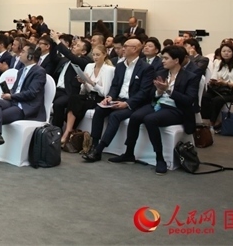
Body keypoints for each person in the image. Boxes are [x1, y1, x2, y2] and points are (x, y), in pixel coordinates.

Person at [108, 45, 199, 175]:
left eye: (166, 58)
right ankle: (129, 153)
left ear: (176, 60)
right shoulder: (161, 74)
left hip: (176, 109)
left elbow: (189, 100)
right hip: (158, 104)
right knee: (135, 116)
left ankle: (160, 158)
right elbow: (151, 95)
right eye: (163, 58)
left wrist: (168, 90)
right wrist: (159, 92)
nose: (163, 61)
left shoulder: (190, 77)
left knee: (150, 119)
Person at [82, 38, 155, 162]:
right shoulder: (120, 66)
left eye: (126, 46)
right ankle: (94, 144)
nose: (123, 48)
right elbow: (115, 86)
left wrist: (127, 103)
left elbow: (144, 92)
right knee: (99, 110)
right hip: (118, 99)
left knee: (115, 116)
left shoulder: (146, 68)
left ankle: (99, 150)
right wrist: (109, 97)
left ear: (135, 49)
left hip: (134, 103)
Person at [0, 44, 48, 166]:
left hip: (26, 107)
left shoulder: (39, 71)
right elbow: (16, 89)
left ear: (30, 56)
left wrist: (12, 96)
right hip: (15, 101)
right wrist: (9, 93)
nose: (20, 54)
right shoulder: (21, 71)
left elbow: (32, 93)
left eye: (23, 52)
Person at [60, 44, 115, 145]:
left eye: (98, 55)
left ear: (104, 55)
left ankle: (69, 132)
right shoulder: (89, 66)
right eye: (93, 55)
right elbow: (84, 91)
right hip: (89, 95)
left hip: (100, 98)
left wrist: (91, 82)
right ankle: (68, 130)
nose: (95, 57)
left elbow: (105, 93)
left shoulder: (109, 69)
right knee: (74, 98)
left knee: (79, 103)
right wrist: (84, 82)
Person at [50, 32, 93, 130]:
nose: (74, 46)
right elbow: (53, 57)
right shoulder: (65, 60)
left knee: (58, 104)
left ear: (83, 52)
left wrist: (58, 41)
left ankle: (56, 130)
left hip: (69, 92)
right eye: (75, 44)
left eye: (77, 46)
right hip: (57, 89)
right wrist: (54, 43)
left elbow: (71, 57)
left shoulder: (85, 61)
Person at [201, 42, 233, 132]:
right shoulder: (217, 62)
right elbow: (214, 76)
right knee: (205, 97)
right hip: (219, 89)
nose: (226, 53)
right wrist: (213, 81)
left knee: (217, 100)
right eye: (223, 51)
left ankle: (213, 123)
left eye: (229, 51)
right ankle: (206, 120)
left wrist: (225, 83)